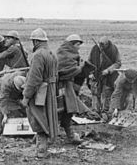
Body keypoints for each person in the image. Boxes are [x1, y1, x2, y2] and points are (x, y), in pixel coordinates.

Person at [21, 28, 59, 158]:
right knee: (48, 117)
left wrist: (26, 96)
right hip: (51, 90)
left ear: (36, 41)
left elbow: (34, 78)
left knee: (37, 117)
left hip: (40, 93)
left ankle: (41, 150)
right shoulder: (51, 53)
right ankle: (43, 145)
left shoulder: (38, 55)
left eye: (33, 41)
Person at [56, 34, 89, 145]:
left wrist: (81, 69)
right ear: (71, 44)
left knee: (68, 112)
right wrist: (79, 69)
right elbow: (63, 70)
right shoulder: (62, 54)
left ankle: (71, 136)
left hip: (70, 88)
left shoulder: (74, 55)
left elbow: (73, 70)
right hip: (59, 88)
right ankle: (44, 138)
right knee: (56, 112)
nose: (78, 47)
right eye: (77, 44)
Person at [88, 36, 121, 117]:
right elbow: (89, 61)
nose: (101, 47)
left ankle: (105, 112)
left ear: (107, 44)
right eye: (100, 44)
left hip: (109, 76)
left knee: (106, 94)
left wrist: (108, 70)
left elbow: (118, 63)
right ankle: (95, 111)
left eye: (103, 45)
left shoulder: (113, 49)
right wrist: (90, 72)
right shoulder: (95, 48)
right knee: (95, 93)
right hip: (96, 75)